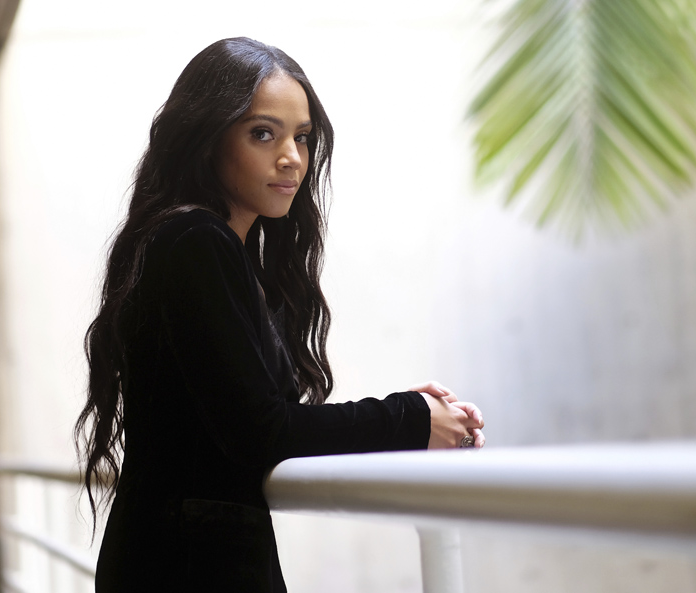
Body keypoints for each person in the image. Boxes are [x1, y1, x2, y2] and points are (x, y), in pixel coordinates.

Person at [74, 37, 486, 592]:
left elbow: (254, 420)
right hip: (187, 568)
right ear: (207, 138)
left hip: (178, 556)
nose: (291, 156)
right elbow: (262, 432)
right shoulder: (196, 241)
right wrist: (409, 417)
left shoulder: (209, 248)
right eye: (263, 133)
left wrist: (413, 414)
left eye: (303, 137)